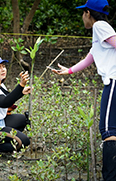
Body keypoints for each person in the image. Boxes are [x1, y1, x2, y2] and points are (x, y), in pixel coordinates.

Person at [51, 0, 116, 179]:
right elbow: (91, 56)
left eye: (83, 13)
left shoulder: (100, 26)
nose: (82, 18)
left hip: (114, 82)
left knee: (109, 131)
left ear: (88, 13)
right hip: (112, 82)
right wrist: (69, 70)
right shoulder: (100, 32)